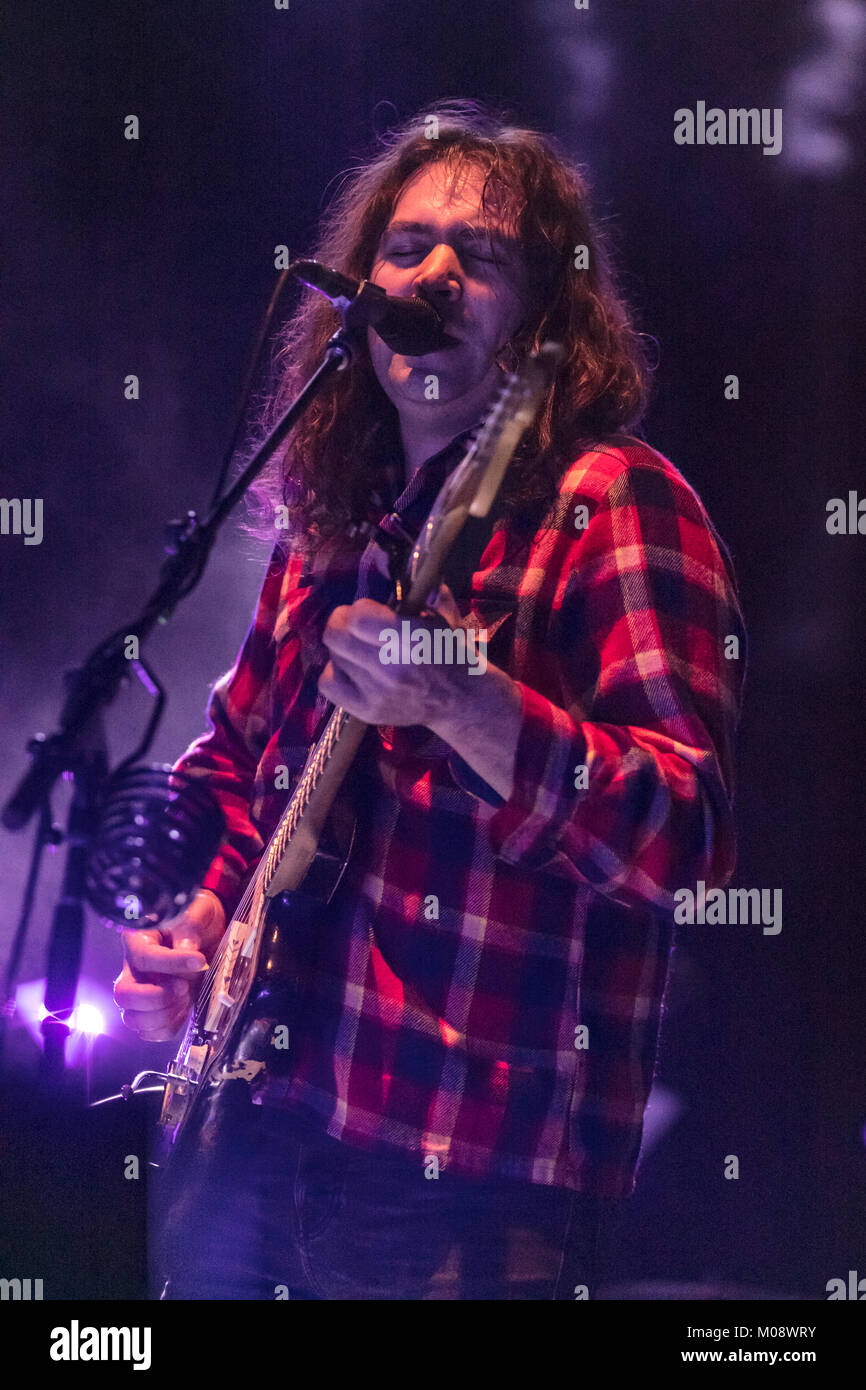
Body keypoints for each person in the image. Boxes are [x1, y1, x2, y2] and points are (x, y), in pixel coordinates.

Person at [113, 99, 746, 1300]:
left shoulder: (614, 503)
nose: (434, 274)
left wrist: (464, 701)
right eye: (404, 249)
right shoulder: (333, 520)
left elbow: (687, 835)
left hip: (461, 1180)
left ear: (542, 320)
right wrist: (197, 919)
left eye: (484, 257)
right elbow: (239, 768)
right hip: (249, 1134)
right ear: (359, 290)